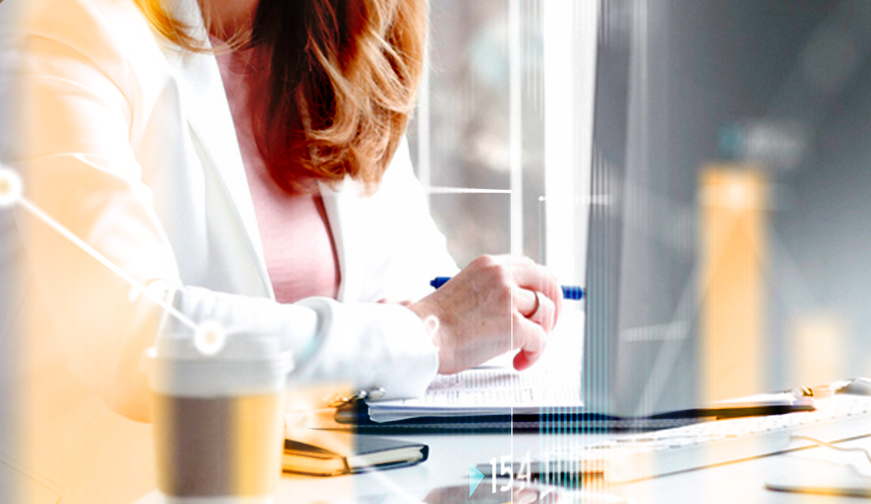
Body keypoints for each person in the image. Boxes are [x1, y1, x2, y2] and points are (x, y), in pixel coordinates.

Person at [0, 0, 562, 501]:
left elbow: (415, 280)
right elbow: (135, 339)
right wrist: (427, 333)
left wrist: (497, 315)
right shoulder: (71, 24)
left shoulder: (338, 31)